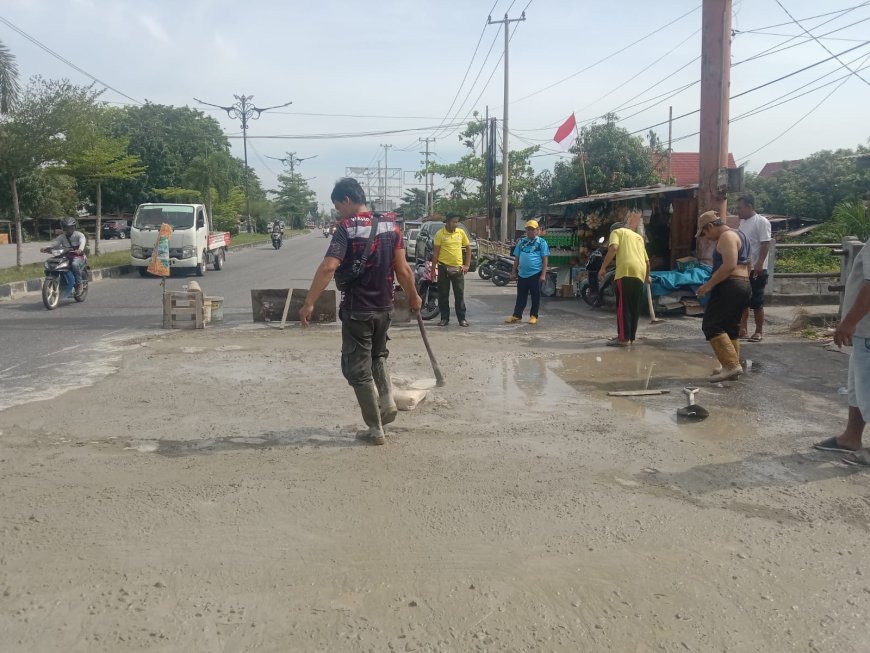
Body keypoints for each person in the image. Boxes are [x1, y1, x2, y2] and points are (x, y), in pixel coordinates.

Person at [300, 178, 422, 446]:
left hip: (358, 309)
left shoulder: (347, 228)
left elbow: (328, 267)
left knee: (357, 370)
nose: (338, 213)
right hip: (384, 308)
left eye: (337, 206)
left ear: (347, 200)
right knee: (378, 355)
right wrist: (413, 297)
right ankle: (387, 400)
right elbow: (402, 269)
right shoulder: (391, 225)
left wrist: (309, 302)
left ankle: (375, 429)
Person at [813, 191, 870, 465]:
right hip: (863, 332)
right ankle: (851, 436)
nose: (867, 206)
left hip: (867, 330)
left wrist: (848, 322)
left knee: (868, 387)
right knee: (857, 386)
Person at [695, 210, 751, 382]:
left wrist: (707, 285)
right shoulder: (741, 235)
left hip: (730, 285)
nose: (706, 237)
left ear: (710, 226)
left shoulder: (726, 237)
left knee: (711, 326)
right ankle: (731, 366)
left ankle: (731, 366)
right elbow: (748, 263)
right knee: (730, 327)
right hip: (743, 284)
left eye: (705, 232)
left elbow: (729, 265)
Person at [598, 210, 650, 347]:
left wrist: (603, 267)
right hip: (640, 272)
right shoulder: (638, 237)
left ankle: (623, 339)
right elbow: (647, 262)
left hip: (625, 271)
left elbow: (614, 247)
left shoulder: (617, 232)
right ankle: (631, 337)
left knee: (623, 306)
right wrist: (647, 277)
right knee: (634, 306)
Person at [736, 194, 772, 342]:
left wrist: (759, 264)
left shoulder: (761, 222)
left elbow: (765, 244)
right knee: (743, 300)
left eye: (740, 207)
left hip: (757, 268)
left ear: (749, 206)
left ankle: (759, 331)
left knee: (757, 301)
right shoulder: (743, 223)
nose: (737, 211)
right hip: (744, 267)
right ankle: (743, 329)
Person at [505, 219, 550, 325]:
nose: (530, 231)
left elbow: (545, 259)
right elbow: (517, 258)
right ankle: (517, 315)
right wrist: (513, 272)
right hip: (522, 274)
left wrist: (543, 274)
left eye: (532, 229)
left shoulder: (541, 243)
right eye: (528, 229)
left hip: (536, 274)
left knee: (535, 296)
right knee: (521, 296)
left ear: (537, 230)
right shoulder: (521, 242)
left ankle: (534, 316)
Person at [431, 215, 471, 327]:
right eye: (454, 222)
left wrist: (467, 265)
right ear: (448, 222)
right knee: (443, 295)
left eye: (457, 222)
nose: (456, 224)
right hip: (443, 268)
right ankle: (444, 318)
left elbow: (468, 248)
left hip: (458, 268)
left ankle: (462, 319)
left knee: (459, 295)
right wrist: (433, 270)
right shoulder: (440, 234)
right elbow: (436, 253)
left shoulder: (460, 233)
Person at [41, 217, 87, 296]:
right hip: (67, 256)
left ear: (74, 227)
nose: (68, 229)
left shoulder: (79, 235)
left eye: (70, 227)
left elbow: (82, 242)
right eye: (66, 227)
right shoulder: (62, 237)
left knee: (74, 264)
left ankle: (79, 285)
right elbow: (54, 244)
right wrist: (46, 247)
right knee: (55, 263)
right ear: (63, 228)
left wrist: (79, 249)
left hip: (79, 256)